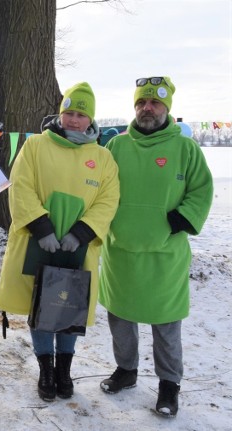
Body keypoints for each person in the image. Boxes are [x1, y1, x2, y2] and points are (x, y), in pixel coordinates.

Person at [0, 82, 120, 402]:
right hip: (40, 242)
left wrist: (82, 232)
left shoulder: (103, 158)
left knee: (69, 306)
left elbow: (108, 200)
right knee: (42, 304)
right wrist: (41, 226)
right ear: (60, 113)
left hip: (78, 247)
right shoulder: (36, 146)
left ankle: (64, 369)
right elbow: (21, 186)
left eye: (80, 114)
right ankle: (45, 369)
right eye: (69, 112)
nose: (73, 120)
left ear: (90, 119)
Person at [98, 76, 213, 418]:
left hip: (165, 255)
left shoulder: (185, 148)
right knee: (120, 318)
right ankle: (126, 371)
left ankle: (168, 386)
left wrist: (181, 220)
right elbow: (100, 188)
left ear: (167, 108)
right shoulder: (116, 146)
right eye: (141, 103)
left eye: (154, 103)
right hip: (120, 252)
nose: (147, 108)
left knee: (165, 323)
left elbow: (202, 190)